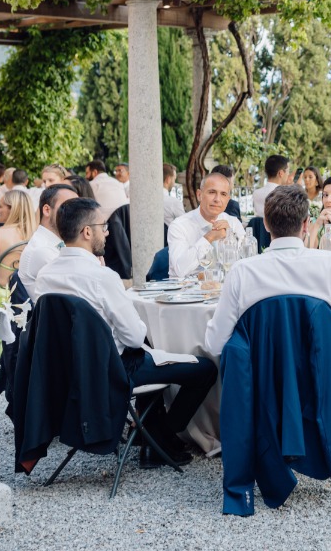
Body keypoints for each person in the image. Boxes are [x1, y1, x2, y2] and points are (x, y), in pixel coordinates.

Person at [35, 197, 216, 468]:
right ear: (87, 232)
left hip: (65, 371)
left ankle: (151, 436)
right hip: (109, 371)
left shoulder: (45, 275)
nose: (107, 232)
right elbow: (132, 336)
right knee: (204, 369)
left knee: (144, 350)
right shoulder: (102, 276)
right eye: (103, 226)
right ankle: (163, 436)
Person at [205, 185, 331, 354]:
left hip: (262, 381)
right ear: (306, 224)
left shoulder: (241, 272)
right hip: (321, 380)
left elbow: (214, 345)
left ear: (265, 224)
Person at [168, 172, 244, 279]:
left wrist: (230, 238)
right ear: (199, 195)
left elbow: (244, 264)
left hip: (224, 290)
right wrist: (209, 238)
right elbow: (180, 269)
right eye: (212, 192)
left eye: (223, 194)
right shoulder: (179, 225)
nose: (217, 199)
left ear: (227, 200)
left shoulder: (233, 223)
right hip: (187, 291)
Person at [18, 183, 78, 300]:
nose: (76, 214)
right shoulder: (42, 250)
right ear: (46, 210)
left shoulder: (55, 243)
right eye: (68, 208)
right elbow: (78, 290)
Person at [0, 189, 37, 289]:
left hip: (1, 299)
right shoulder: (35, 235)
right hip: (27, 298)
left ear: (12, 209)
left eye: (0, 206)